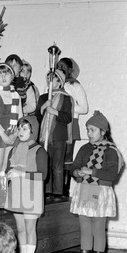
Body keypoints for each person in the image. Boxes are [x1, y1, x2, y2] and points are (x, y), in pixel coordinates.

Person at [69, 111, 124, 253]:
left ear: (103, 131)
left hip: (101, 193)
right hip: (84, 191)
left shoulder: (111, 151)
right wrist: (77, 172)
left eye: (92, 130)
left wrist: (91, 171)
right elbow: (74, 167)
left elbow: (112, 175)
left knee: (98, 230)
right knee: (85, 230)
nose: (89, 133)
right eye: (87, 130)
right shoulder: (84, 148)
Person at [5, 117, 48, 253]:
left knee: (30, 228)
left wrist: (20, 173)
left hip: (32, 193)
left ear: (33, 131)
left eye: (25, 128)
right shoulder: (14, 149)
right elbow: (8, 169)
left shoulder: (39, 150)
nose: (20, 131)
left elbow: (42, 175)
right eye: (19, 128)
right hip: (16, 191)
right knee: (20, 228)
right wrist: (8, 174)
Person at [0, 63, 22, 204]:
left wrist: (14, 134)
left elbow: (20, 117)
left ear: (12, 76)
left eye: (6, 73)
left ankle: (5, 194)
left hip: (12, 133)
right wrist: (3, 135)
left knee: (7, 164)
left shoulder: (15, 95)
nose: (3, 77)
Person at [36, 69, 72, 202]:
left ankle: (57, 191)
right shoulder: (44, 97)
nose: (50, 81)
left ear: (60, 81)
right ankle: (46, 190)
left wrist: (55, 111)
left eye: (53, 78)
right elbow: (38, 116)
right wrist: (44, 107)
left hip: (58, 136)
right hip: (43, 136)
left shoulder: (66, 98)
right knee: (45, 164)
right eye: (48, 78)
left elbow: (67, 117)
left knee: (57, 165)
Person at [57, 57, 89, 197]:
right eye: (58, 66)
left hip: (71, 122)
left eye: (63, 66)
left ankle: (65, 189)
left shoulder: (75, 86)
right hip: (57, 123)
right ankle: (55, 189)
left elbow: (84, 108)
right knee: (57, 156)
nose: (60, 68)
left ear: (70, 69)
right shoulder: (54, 85)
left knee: (67, 156)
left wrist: (68, 108)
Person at [20, 60, 40, 141]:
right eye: (23, 71)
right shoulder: (15, 85)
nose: (25, 74)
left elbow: (33, 106)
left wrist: (20, 109)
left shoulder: (29, 87)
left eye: (28, 72)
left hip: (27, 119)